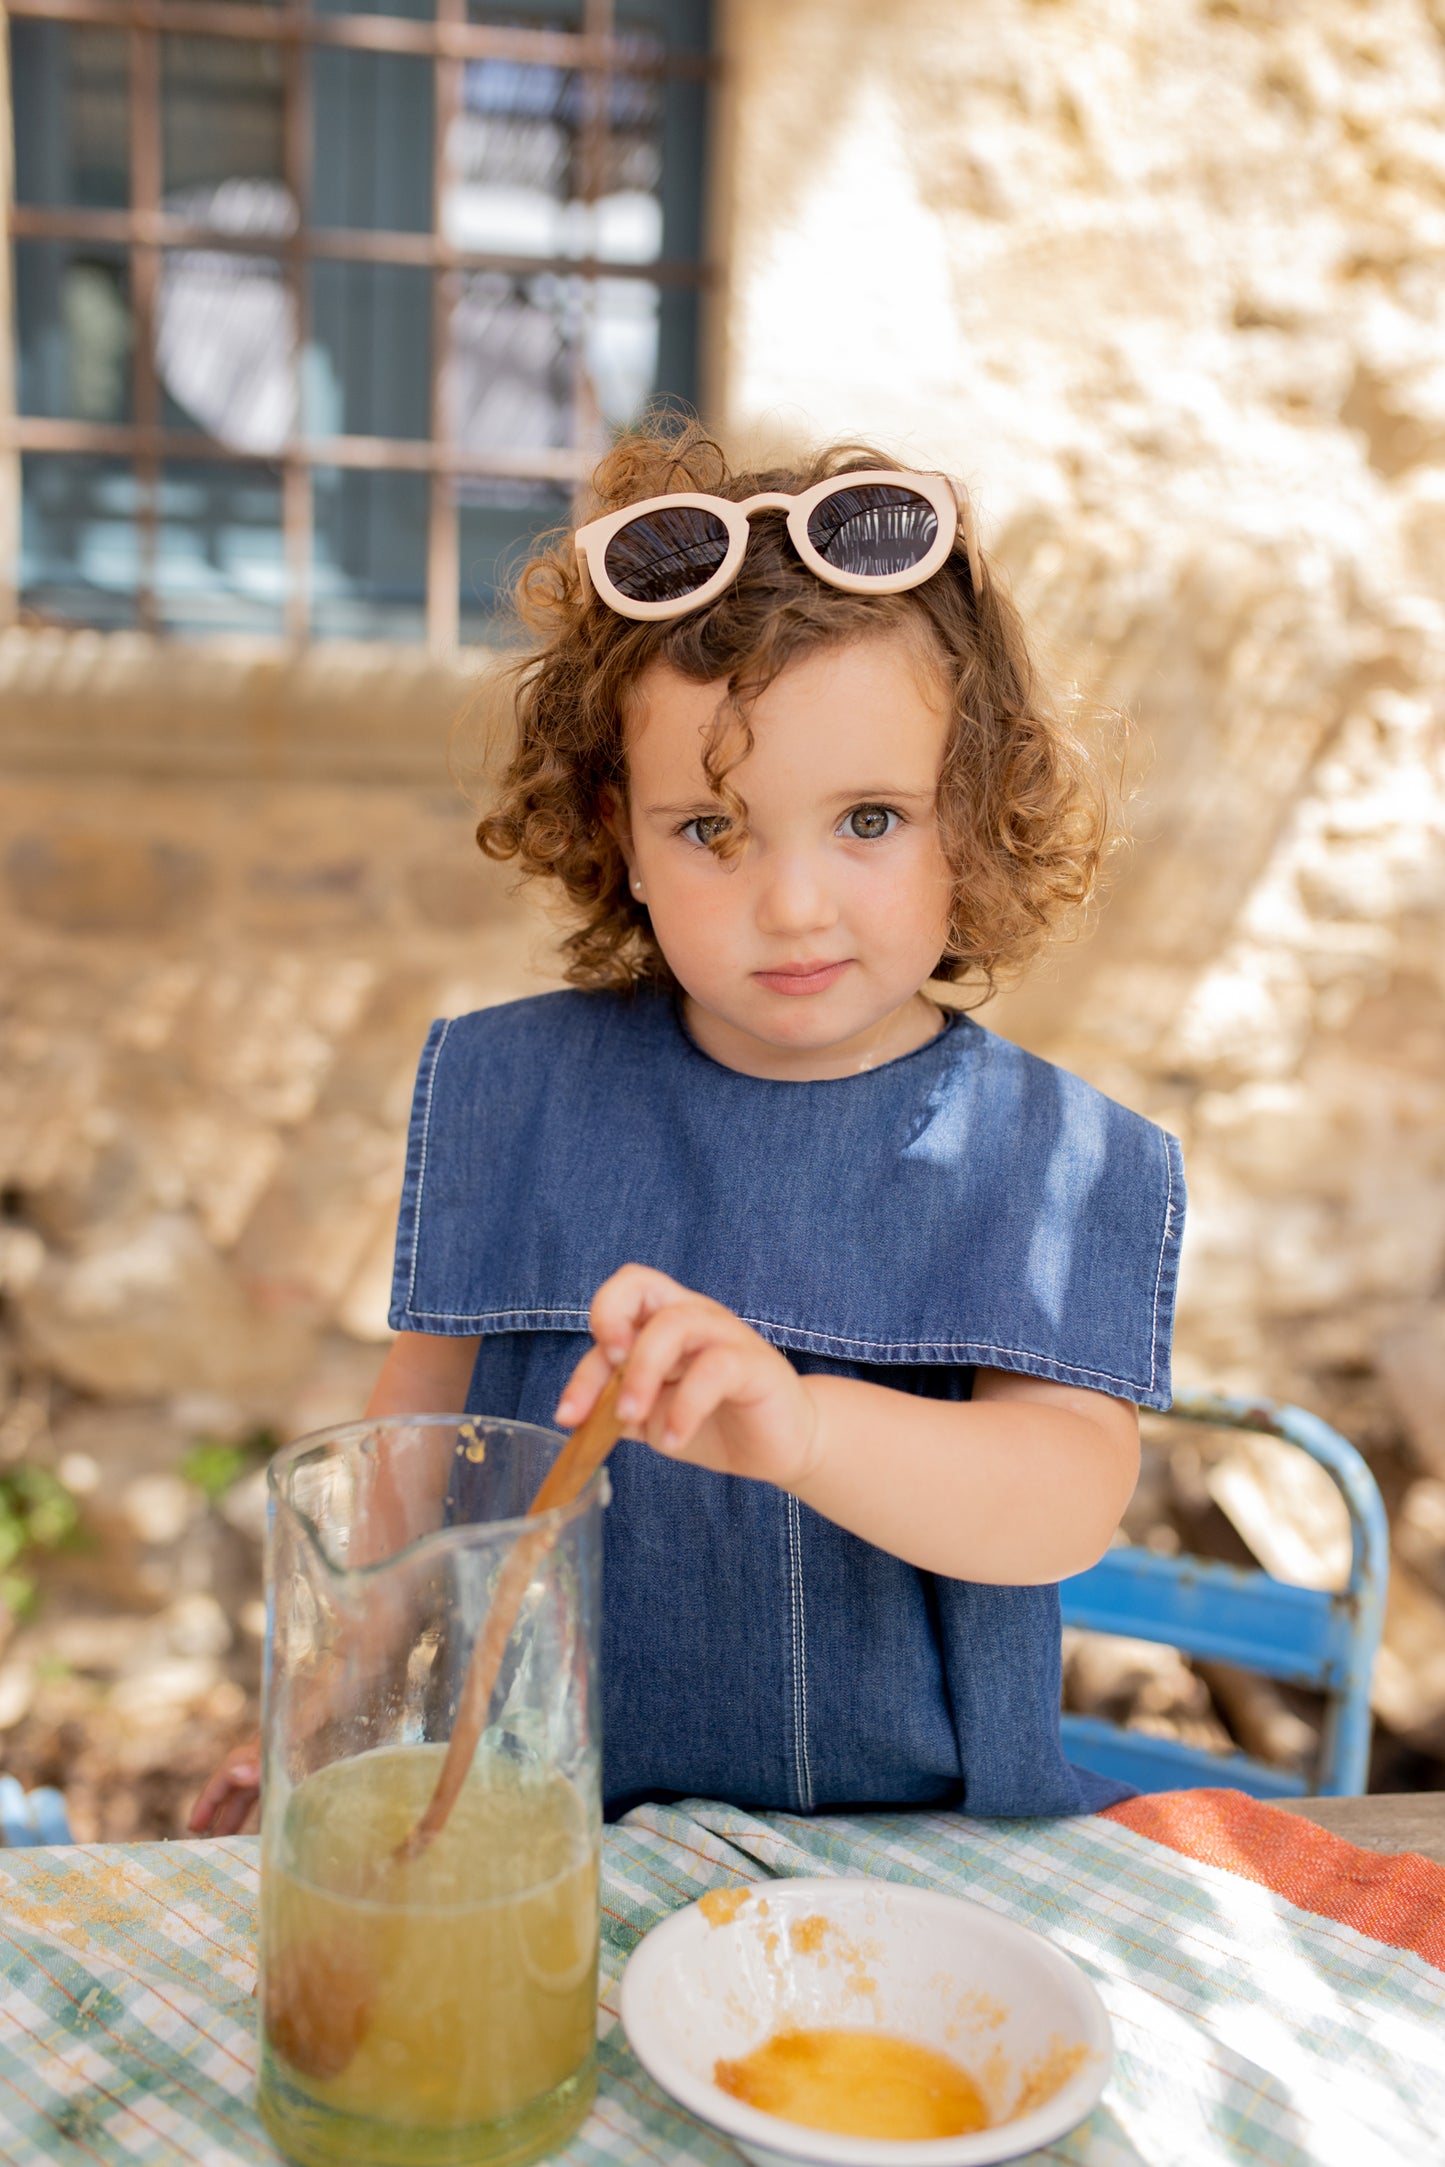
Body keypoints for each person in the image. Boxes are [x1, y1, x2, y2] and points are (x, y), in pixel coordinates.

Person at [189, 426, 1183, 1839]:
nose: (791, 903)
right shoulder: (515, 1095)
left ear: (969, 814)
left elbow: (1060, 1502)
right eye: (712, 829)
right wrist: (309, 1722)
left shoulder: (1046, 1156)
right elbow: (413, 1460)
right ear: (623, 835)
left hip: (918, 1863)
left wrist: (800, 1425)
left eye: (868, 818)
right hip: (549, 1835)